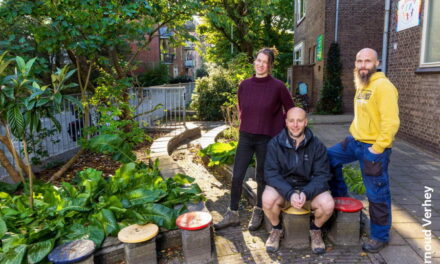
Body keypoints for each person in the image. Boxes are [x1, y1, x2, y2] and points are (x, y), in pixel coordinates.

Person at [327, 48, 400, 253]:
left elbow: (391, 122)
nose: (362, 65)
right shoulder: (363, 83)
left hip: (373, 147)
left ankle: (380, 236)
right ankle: (342, 199)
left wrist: (377, 148)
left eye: (367, 61)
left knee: (377, 192)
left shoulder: (383, 86)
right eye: (359, 61)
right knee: (327, 158)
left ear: (377, 62)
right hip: (354, 142)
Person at [214, 48, 294, 231]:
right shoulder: (245, 85)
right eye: (258, 60)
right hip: (246, 135)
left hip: (266, 138)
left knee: (261, 177)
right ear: (254, 61)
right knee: (237, 175)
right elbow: (242, 107)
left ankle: (258, 210)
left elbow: (290, 110)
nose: (260, 64)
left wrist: (278, 128)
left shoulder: (278, 86)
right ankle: (232, 213)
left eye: (265, 62)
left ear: (270, 65)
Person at [263, 107, 334, 254]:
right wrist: (289, 193)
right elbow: (271, 174)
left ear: (306, 122)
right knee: (267, 199)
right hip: (283, 190)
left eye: (299, 121)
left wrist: (306, 193)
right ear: (286, 122)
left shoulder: (317, 146)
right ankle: (276, 229)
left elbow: (323, 175)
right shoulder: (274, 144)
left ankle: (315, 230)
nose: (295, 125)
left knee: (328, 204)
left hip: (308, 190)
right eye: (291, 121)